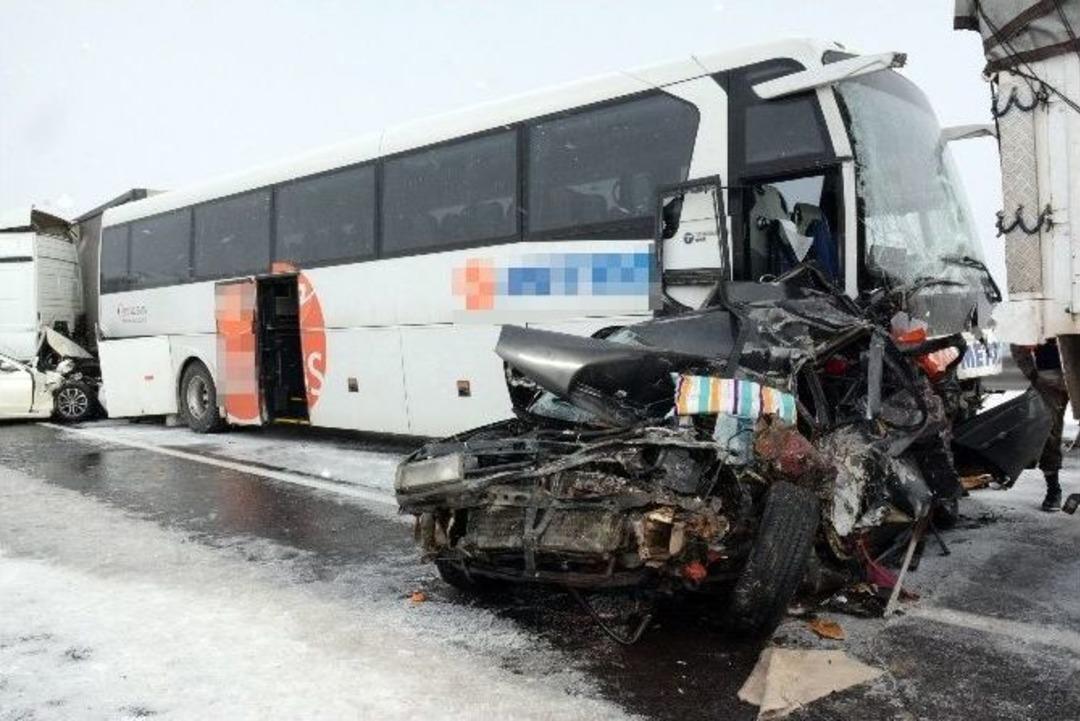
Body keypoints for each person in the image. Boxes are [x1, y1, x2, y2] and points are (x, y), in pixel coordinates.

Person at [1011, 339, 1069, 511]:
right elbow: (1018, 339)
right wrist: (1032, 373)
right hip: (1049, 376)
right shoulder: (1041, 311)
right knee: (1048, 432)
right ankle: (1053, 489)